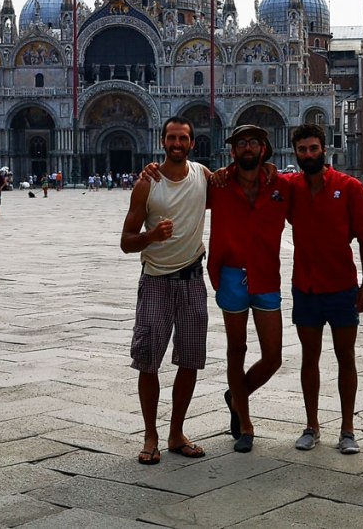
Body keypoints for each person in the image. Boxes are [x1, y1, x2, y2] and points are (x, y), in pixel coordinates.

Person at [120, 116, 209, 465]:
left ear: (191, 143)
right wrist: (151, 236)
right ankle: (150, 435)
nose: (177, 143)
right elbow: (126, 242)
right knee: (148, 362)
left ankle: (176, 432)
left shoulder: (203, 177)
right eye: (171, 137)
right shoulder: (147, 184)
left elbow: (238, 188)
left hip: (193, 280)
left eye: (183, 138)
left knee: (189, 361)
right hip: (155, 281)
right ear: (162, 141)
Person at [287, 123, 363, 455]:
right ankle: (311, 426)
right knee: (309, 359)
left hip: (341, 288)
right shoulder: (291, 187)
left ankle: (348, 429)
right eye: (302, 149)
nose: (308, 154)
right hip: (305, 288)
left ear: (324, 149)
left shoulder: (350, 188)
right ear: (295, 153)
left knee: (346, 358)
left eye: (313, 148)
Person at [208, 124, 291, 453]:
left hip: (267, 275)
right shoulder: (218, 184)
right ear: (232, 151)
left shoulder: (281, 185)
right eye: (241, 143)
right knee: (236, 350)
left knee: (273, 357)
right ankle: (245, 424)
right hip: (230, 276)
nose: (247, 148)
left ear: (264, 150)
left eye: (253, 143)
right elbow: (181, 185)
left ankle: (235, 395)